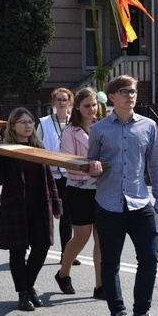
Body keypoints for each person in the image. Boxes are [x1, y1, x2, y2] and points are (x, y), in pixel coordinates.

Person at [88, 75, 158, 316]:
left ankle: (142, 314)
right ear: (111, 97)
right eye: (124, 91)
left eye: (132, 91)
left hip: (140, 202)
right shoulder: (99, 129)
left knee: (150, 257)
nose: (130, 95)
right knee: (110, 262)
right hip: (109, 203)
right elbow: (90, 166)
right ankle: (118, 315)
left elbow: (157, 166)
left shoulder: (148, 126)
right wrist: (94, 169)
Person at [0, 107, 62, 312]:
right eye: (23, 122)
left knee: (42, 246)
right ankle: (23, 293)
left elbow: (49, 177)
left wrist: (56, 201)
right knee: (17, 251)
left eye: (30, 122)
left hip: (40, 204)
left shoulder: (37, 146)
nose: (28, 126)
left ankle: (29, 286)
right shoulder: (5, 148)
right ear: (13, 126)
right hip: (16, 205)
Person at [55, 87, 103, 298]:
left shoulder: (103, 127)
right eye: (87, 106)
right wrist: (89, 166)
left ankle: (100, 286)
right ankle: (63, 273)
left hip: (103, 189)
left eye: (94, 105)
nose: (92, 109)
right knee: (81, 237)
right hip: (79, 189)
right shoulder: (70, 131)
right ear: (77, 108)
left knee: (102, 238)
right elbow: (67, 162)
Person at [37, 87, 77, 265]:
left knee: (67, 217)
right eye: (58, 99)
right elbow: (36, 148)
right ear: (53, 102)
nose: (61, 102)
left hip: (69, 175)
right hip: (49, 175)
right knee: (46, 215)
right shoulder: (44, 122)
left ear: (70, 102)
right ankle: (39, 250)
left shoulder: (75, 122)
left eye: (64, 99)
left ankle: (65, 254)